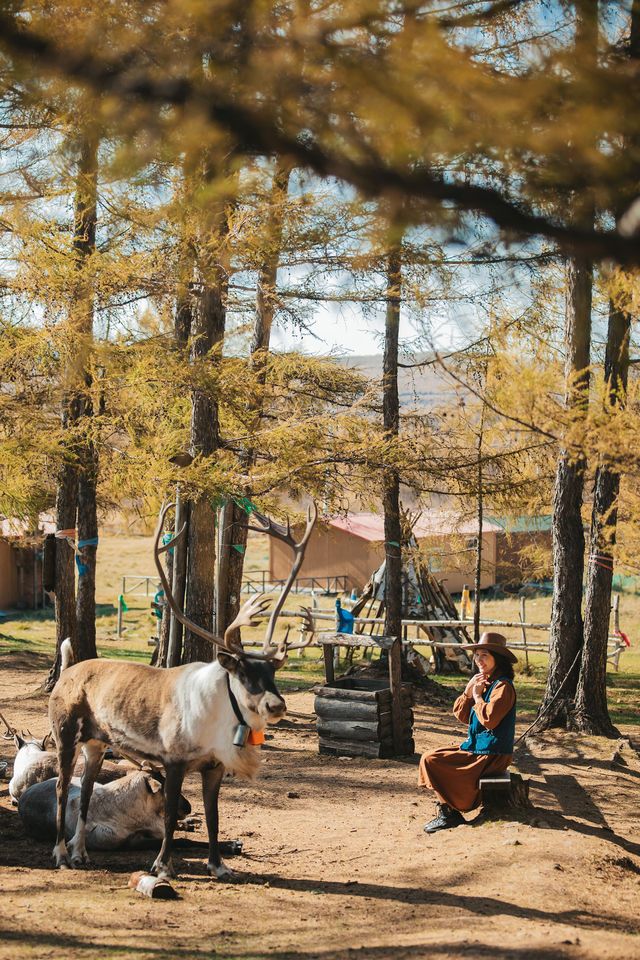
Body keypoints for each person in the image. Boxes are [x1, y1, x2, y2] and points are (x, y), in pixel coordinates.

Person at [418, 631, 518, 833]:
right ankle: (449, 812)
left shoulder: (503, 687)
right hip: (480, 748)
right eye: (477, 655)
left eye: (485, 656)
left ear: (497, 659)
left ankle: (449, 814)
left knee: (431, 760)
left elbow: (489, 720)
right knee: (431, 758)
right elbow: (462, 716)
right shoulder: (486, 682)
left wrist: (478, 698)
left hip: (492, 755)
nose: (479, 660)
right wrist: (468, 691)